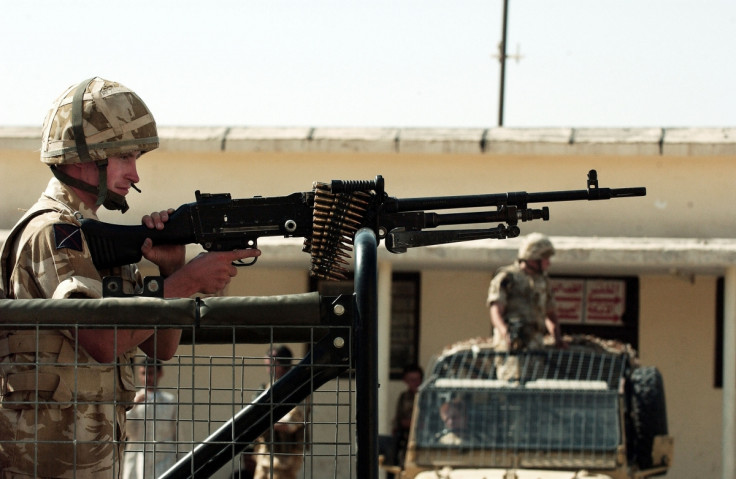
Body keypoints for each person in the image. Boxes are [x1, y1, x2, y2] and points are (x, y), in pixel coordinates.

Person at [0, 77, 259, 479]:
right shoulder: (53, 232)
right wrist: (187, 281)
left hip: (90, 456)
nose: (135, 174)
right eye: (125, 158)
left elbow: (161, 345)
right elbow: (103, 341)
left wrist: (171, 269)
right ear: (86, 156)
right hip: (43, 460)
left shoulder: (97, 238)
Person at [486, 233, 562, 380]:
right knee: (511, 383)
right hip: (512, 344)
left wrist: (557, 338)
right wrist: (505, 332)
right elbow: (496, 310)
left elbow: (550, 313)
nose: (548, 263)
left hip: (535, 344)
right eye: (545, 259)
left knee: (534, 385)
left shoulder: (543, 281)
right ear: (534, 259)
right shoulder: (507, 277)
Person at [252, 345, 309, 479]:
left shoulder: (297, 388)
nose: (268, 367)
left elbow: (291, 424)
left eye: (272, 363)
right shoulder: (267, 388)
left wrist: (262, 422)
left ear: (281, 363)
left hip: (285, 457)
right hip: (264, 454)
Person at [123, 358, 178, 479]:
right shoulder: (133, 399)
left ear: (160, 373)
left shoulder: (169, 401)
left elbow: (178, 434)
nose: (147, 377)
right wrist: (134, 405)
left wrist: (182, 460)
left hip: (164, 460)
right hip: (138, 459)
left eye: (151, 373)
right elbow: (127, 431)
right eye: (144, 373)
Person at [390, 364, 423, 471]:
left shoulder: (427, 396)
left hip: (423, 440)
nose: (415, 383)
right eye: (411, 380)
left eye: (417, 379)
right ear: (405, 381)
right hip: (406, 439)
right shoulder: (404, 397)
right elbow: (399, 420)